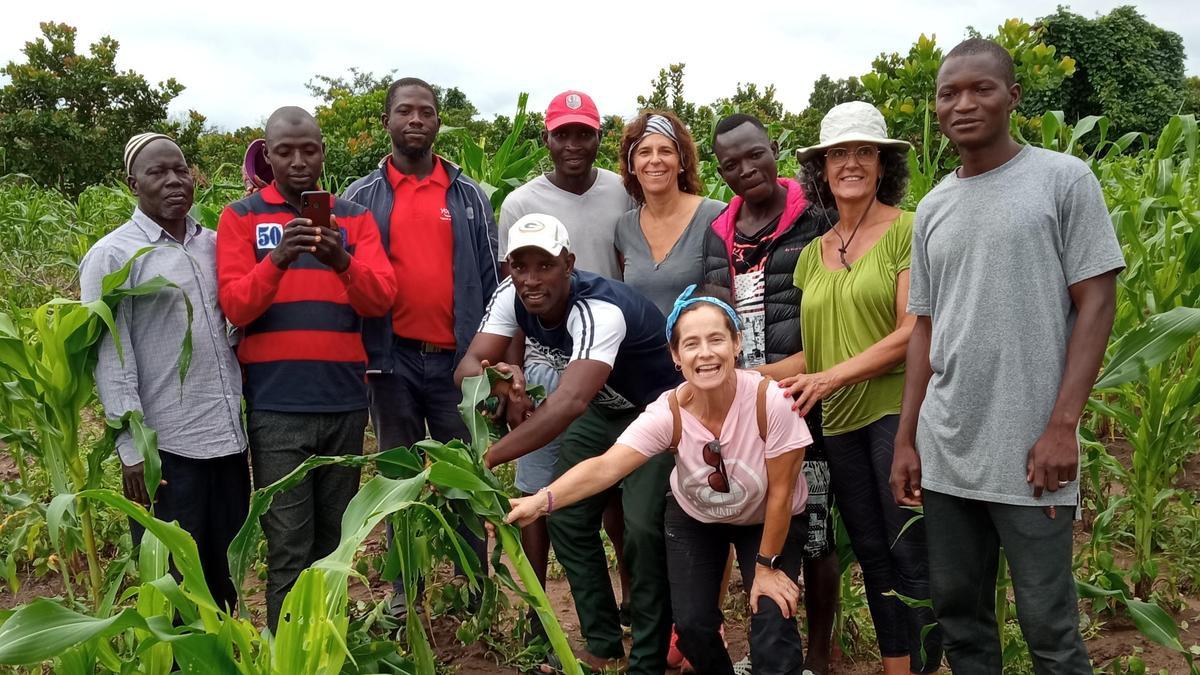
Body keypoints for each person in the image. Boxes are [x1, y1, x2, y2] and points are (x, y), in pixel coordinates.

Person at [891, 38, 1123, 673]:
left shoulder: (1062, 180)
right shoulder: (934, 206)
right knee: (961, 621)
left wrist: (1062, 426)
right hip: (949, 449)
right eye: (948, 94)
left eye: (981, 89)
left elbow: (1097, 303)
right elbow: (924, 330)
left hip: (1032, 455)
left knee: (1049, 626)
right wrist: (908, 438)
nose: (963, 104)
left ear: (1013, 97)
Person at [506, 285, 812, 675]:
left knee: (771, 618)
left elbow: (782, 493)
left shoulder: (771, 403)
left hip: (766, 520)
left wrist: (766, 567)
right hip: (697, 518)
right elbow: (606, 466)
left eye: (716, 339)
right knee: (692, 627)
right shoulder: (668, 412)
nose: (705, 353)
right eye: (691, 343)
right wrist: (540, 501)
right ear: (675, 355)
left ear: (737, 344)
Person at [454, 214, 680, 673]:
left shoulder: (598, 308)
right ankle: (601, 642)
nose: (532, 280)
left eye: (545, 266)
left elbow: (570, 402)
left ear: (569, 264)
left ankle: (649, 656)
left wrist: (488, 457)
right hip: (604, 408)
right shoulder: (512, 296)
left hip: (656, 413)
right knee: (568, 516)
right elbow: (467, 367)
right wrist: (499, 378)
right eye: (520, 267)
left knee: (640, 526)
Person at [215, 106, 396, 631]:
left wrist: (342, 259)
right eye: (285, 151)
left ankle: (328, 647)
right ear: (267, 156)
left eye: (309, 149)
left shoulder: (354, 219)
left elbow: (380, 298)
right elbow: (235, 305)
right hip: (276, 408)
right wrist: (277, 261)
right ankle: (288, 654)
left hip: (342, 403)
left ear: (322, 152)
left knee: (334, 545)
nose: (298, 161)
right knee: (289, 547)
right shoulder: (240, 217)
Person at [788, 100, 941, 674]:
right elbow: (817, 351)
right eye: (838, 154)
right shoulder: (811, 255)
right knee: (874, 558)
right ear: (822, 169)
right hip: (842, 423)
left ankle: (926, 668)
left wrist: (828, 378)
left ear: (883, 165)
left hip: (896, 416)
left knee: (911, 554)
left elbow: (911, 332)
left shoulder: (907, 231)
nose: (850, 163)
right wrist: (744, 375)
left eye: (863, 152)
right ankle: (898, 668)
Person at [341, 77, 497, 605]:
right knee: (396, 477)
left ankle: (475, 587)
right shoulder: (359, 198)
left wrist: (484, 358)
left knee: (465, 478)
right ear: (386, 121)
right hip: (391, 362)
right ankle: (405, 589)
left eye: (425, 112)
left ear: (437, 121)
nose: (415, 120)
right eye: (404, 111)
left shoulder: (469, 195)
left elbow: (492, 280)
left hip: (456, 363)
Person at [81, 133, 249, 612]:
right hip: (167, 452)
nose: (175, 181)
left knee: (227, 570)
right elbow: (110, 358)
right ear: (132, 183)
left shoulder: (215, 245)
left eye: (181, 170)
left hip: (229, 440)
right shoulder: (113, 256)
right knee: (175, 582)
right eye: (158, 172)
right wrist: (133, 449)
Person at [704, 113, 839, 675]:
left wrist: (778, 377)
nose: (745, 170)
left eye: (754, 155)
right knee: (754, 520)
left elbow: (834, 320)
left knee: (817, 532)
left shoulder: (817, 218)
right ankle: (768, 640)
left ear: (774, 150)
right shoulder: (719, 232)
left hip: (809, 400)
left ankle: (820, 651)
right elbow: (714, 314)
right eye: (730, 164)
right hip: (743, 409)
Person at [496, 90, 636, 623]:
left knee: (618, 487)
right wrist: (513, 377)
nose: (574, 144)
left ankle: (628, 600)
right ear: (546, 138)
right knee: (535, 486)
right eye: (563, 134)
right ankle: (537, 615)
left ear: (600, 138)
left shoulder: (622, 192)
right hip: (545, 362)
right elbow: (511, 293)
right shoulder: (520, 203)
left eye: (585, 133)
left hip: (610, 358)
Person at [614, 110, 726, 316]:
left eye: (665, 151)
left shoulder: (715, 215)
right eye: (644, 152)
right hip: (641, 348)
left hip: (697, 346)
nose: (655, 160)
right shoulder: (625, 228)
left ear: (682, 161)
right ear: (632, 164)